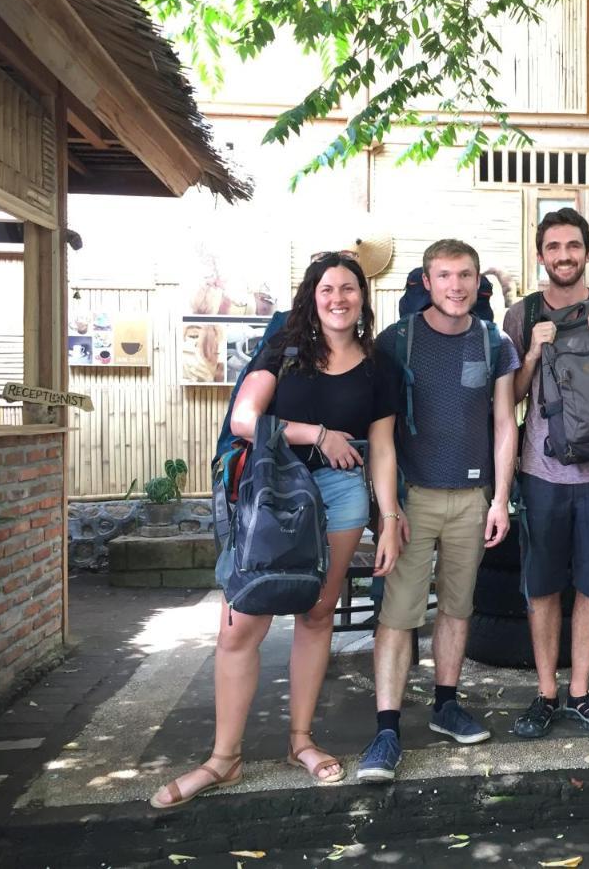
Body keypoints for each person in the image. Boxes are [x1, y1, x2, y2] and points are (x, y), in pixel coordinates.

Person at [149, 251, 401, 808]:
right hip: (271, 491)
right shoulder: (285, 347)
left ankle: (300, 742)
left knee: (316, 616)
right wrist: (319, 434)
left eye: (349, 289)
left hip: (342, 495)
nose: (339, 298)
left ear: (363, 297)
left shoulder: (378, 366)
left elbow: (381, 447)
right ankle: (224, 759)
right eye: (328, 289)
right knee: (241, 626)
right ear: (313, 298)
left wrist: (390, 516)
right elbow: (244, 417)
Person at [359, 239, 519, 783]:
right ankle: (386, 729)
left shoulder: (493, 340)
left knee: (458, 607)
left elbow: (504, 423)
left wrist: (500, 498)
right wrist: (387, 512)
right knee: (399, 614)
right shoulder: (396, 342)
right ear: (426, 282)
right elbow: (379, 434)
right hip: (412, 500)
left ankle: (446, 704)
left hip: (472, 498)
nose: (456, 286)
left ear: (479, 282)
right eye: (445, 276)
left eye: (466, 276)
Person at [503, 207, 589, 739]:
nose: (563, 256)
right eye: (553, 247)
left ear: (587, 252)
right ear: (541, 255)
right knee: (541, 587)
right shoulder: (520, 316)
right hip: (542, 472)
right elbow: (512, 398)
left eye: (573, 246)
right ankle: (546, 692)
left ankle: (581, 692)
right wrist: (534, 352)